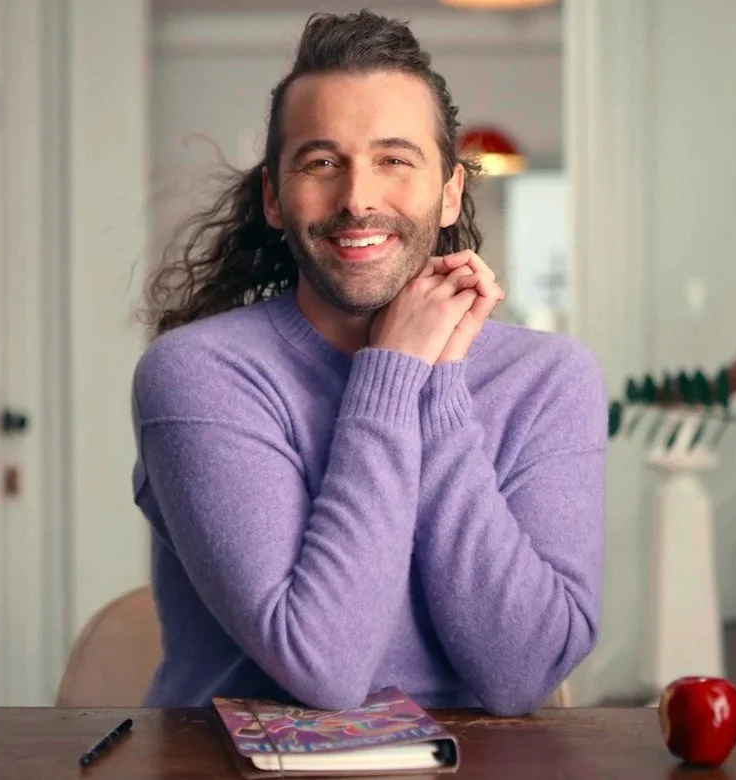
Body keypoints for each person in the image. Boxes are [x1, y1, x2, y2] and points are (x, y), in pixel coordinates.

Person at [130, 10, 606, 717]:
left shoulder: (550, 379)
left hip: (477, 764)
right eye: (321, 162)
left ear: (450, 193)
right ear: (273, 197)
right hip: (230, 762)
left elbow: (521, 674)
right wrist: (391, 373)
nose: (357, 199)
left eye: (395, 160)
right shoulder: (198, 374)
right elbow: (323, 667)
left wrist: (435, 390)